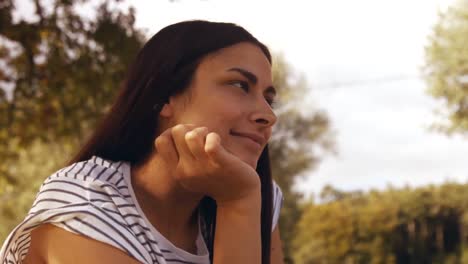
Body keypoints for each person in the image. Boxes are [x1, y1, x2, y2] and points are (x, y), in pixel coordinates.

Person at [0, 20, 285, 264]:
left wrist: (240, 202)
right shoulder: (86, 203)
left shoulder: (250, 192)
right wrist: (237, 203)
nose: (268, 115)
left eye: (268, 98)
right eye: (239, 85)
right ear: (165, 97)